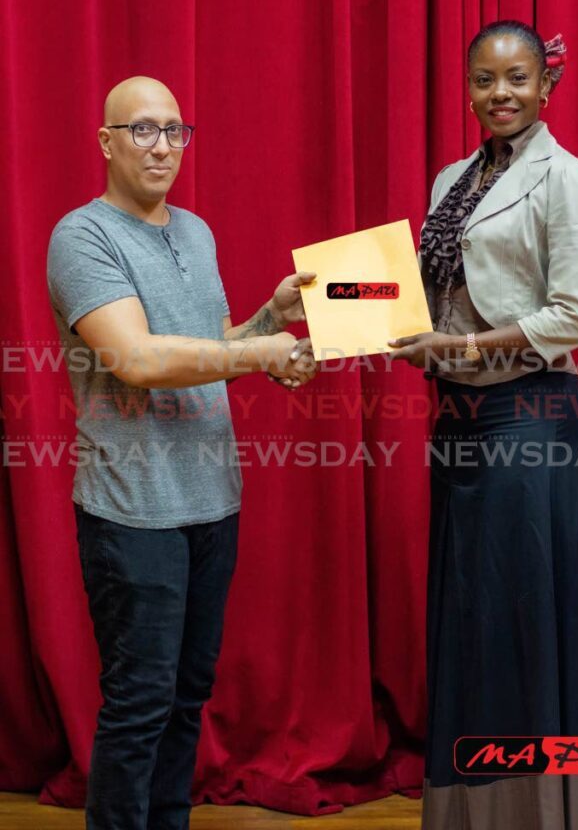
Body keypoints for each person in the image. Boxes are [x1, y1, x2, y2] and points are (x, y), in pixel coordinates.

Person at [46, 76, 316, 830]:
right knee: (139, 704)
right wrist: (263, 350)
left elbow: (209, 344)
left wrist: (270, 316)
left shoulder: (195, 231)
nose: (162, 146)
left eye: (174, 130)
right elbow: (136, 359)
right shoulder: (82, 237)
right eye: (141, 130)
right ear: (107, 143)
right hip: (134, 513)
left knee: (187, 698)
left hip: (212, 502)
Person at [389, 21, 578, 829]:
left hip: (531, 418)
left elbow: (574, 315)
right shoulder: (453, 178)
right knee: (472, 618)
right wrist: (328, 303)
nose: (500, 94)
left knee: (526, 617)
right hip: (456, 420)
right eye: (485, 81)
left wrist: (462, 344)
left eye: (517, 78)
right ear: (466, 89)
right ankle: (475, 814)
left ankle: (555, 812)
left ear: (546, 86)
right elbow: (419, 295)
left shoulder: (569, 179)